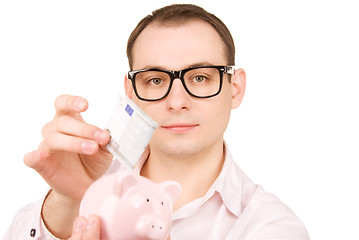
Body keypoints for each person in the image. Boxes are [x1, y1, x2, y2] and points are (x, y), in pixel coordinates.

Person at [5, 4, 310, 240]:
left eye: (200, 77)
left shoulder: (270, 227)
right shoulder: (92, 181)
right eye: (154, 80)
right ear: (131, 93)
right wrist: (68, 201)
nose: (177, 101)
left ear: (236, 88)